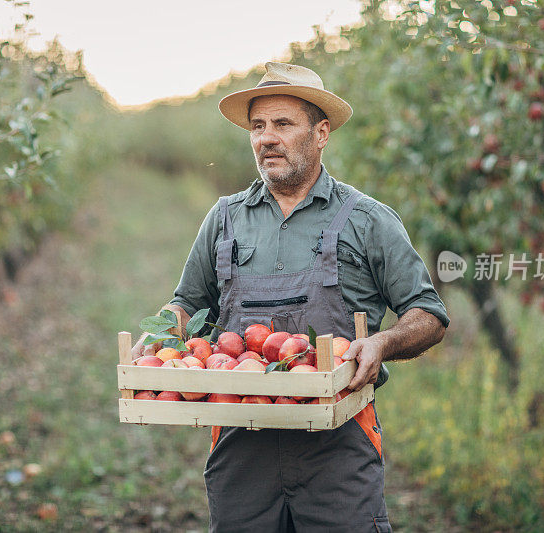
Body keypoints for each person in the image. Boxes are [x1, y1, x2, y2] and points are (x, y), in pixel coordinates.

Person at [133, 62, 449, 532]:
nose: (266, 138)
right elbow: (186, 302)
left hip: (337, 445)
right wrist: (157, 341)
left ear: (321, 133)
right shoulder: (224, 220)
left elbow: (428, 315)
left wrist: (381, 343)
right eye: (257, 127)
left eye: (283, 124)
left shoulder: (368, 220)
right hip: (241, 444)